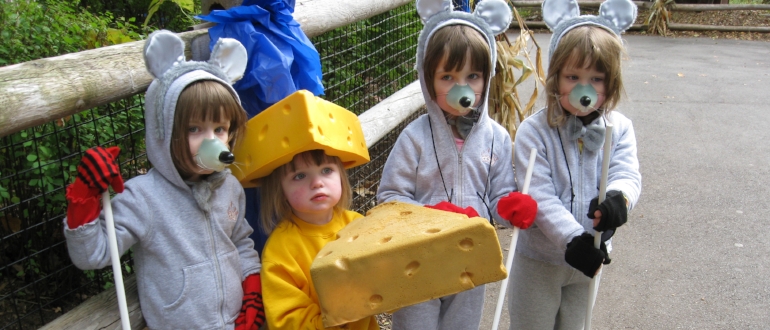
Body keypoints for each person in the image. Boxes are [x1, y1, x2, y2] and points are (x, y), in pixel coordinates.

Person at [63, 30, 265, 330]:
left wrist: (252, 289)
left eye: (220, 129)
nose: (211, 140)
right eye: (194, 129)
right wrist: (84, 197)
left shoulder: (230, 186)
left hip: (237, 322)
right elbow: (93, 254)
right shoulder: (143, 197)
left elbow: (240, 241)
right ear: (163, 132)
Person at [376, 0, 538, 329]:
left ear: (486, 77)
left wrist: (509, 206)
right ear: (427, 78)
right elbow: (390, 197)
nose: (462, 88)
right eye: (447, 76)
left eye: (472, 76)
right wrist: (432, 217)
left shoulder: (497, 138)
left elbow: (498, 193)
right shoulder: (414, 137)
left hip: (470, 261)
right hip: (418, 261)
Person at [507, 0, 641, 328]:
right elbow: (538, 193)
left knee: (576, 325)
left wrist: (618, 199)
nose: (585, 88)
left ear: (611, 81)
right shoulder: (534, 132)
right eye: (572, 76)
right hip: (539, 258)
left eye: (596, 78)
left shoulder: (618, 128)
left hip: (591, 256)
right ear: (555, 77)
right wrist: (570, 237)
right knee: (530, 324)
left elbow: (626, 172)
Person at [258, 149, 378, 330]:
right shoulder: (280, 250)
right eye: (300, 176)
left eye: (326, 170)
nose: (317, 183)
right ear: (280, 189)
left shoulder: (357, 224)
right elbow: (286, 319)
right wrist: (338, 317)